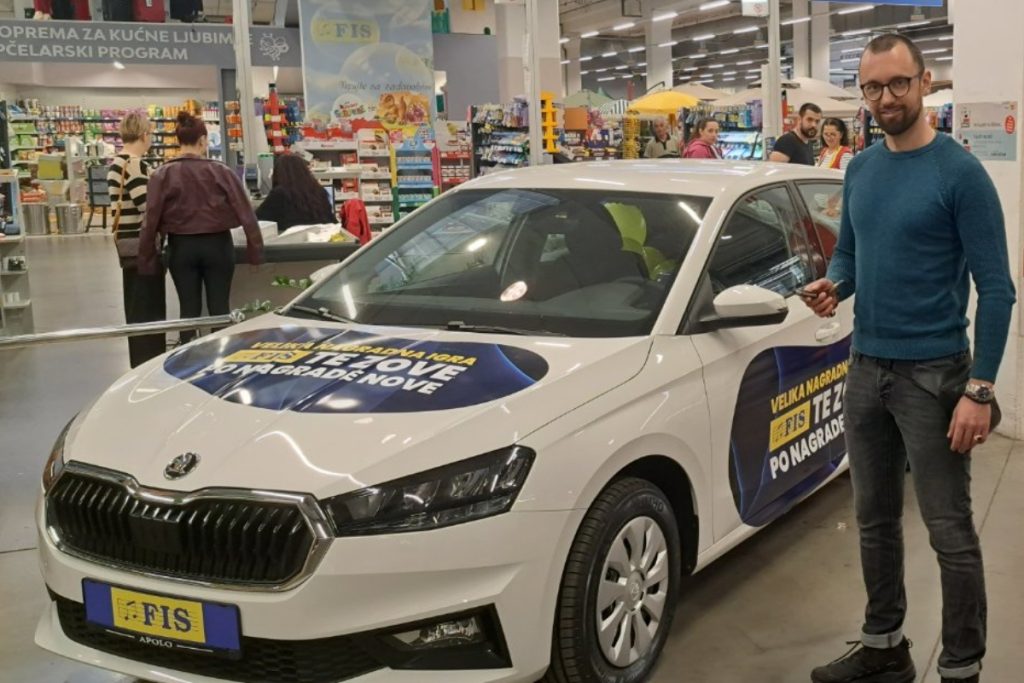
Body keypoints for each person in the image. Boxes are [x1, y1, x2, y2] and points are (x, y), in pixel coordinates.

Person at [803, 33, 1015, 683]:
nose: (886, 98)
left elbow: (998, 288)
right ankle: (884, 646)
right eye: (873, 87)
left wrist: (980, 389)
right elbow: (851, 252)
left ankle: (961, 665)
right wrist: (836, 284)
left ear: (924, 82)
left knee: (949, 530)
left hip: (935, 375)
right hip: (866, 367)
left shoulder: (960, 173)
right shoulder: (861, 168)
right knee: (874, 519)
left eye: (898, 83)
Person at [139, 111, 264, 343]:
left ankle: (187, 354)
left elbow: (151, 219)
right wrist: (255, 251)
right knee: (220, 308)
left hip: (180, 247)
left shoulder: (162, 174)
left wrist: (147, 259)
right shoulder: (222, 172)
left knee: (188, 310)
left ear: (178, 140)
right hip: (218, 246)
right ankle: (220, 352)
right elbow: (246, 213)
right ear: (203, 140)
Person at [107, 111, 166, 368]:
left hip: (127, 245)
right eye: (150, 134)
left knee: (134, 306)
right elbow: (146, 206)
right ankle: (149, 362)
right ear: (143, 135)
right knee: (148, 307)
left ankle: (139, 360)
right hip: (142, 246)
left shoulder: (116, 163)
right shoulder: (134, 164)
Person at [256, 153, 336, 233]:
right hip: (321, 238)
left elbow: (257, 220)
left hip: (291, 239)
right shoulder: (319, 191)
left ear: (278, 173)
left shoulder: (279, 193)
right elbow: (331, 220)